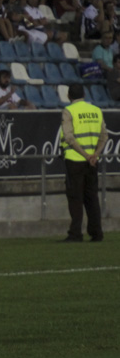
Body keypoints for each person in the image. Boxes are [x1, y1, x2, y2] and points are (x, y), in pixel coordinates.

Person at [59, 84, 107, 243]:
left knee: (75, 198)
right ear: (84, 94)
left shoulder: (69, 111)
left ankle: (75, 234)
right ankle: (96, 233)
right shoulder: (96, 110)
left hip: (75, 160)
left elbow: (69, 137)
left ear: (68, 96)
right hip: (92, 162)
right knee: (92, 197)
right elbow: (104, 136)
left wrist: (86, 155)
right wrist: (95, 155)